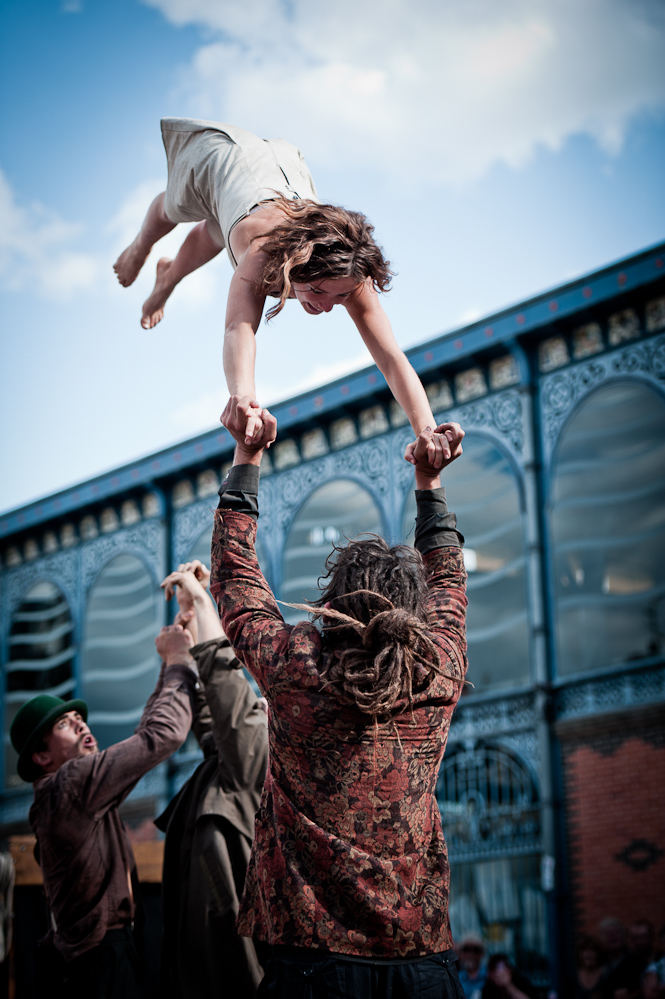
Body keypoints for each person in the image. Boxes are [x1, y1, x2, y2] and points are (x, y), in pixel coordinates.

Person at [210, 402, 468, 998]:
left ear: (331, 606)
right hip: (423, 966)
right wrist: (429, 482)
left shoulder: (296, 671)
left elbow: (235, 578)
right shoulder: (438, 672)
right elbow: (450, 580)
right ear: (416, 614)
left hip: (312, 966)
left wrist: (247, 457)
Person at [114, 118, 440, 452]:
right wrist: (244, 398)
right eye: (317, 291)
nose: (327, 306)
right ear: (293, 265)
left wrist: (427, 429)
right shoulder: (263, 250)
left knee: (218, 228)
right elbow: (238, 326)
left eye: (340, 295)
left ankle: (168, 275)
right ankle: (140, 249)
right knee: (172, 207)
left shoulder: (352, 270)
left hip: (283, 168)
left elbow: (390, 357)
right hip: (224, 160)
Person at [8, 624, 198, 999]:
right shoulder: (70, 785)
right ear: (42, 756)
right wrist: (179, 659)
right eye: (64, 724)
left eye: (79, 718)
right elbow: (163, 736)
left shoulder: (67, 793)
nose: (80, 722)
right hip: (101, 964)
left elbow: (145, 737)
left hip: (100, 959)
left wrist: (167, 665)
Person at [155, 560, 268, 999]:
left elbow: (225, 684)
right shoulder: (225, 766)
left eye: (262, 706)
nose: (259, 705)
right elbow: (213, 708)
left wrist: (203, 600)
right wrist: (192, 610)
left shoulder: (252, 765)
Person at [458, 934, 488, 999]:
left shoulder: (489, 976)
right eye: (466, 949)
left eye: (476, 950)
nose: (470, 954)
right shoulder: (457, 979)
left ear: (482, 953)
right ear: (461, 954)